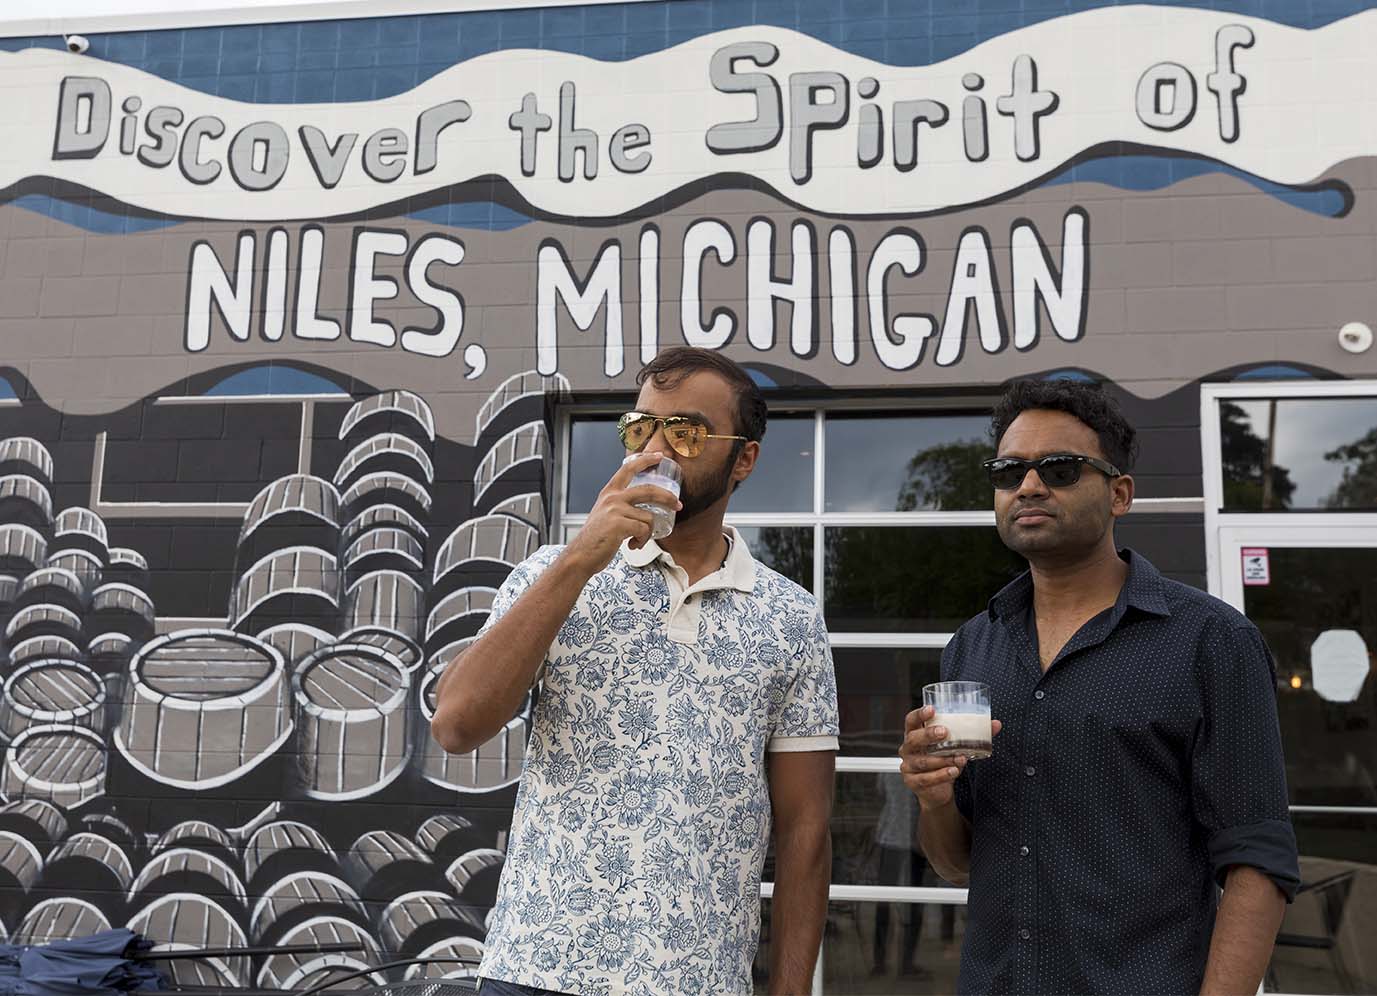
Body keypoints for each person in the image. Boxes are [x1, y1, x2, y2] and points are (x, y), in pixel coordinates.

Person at [431, 346, 839, 996]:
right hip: (534, 971)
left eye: (686, 430)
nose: (658, 447)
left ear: (744, 459)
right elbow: (455, 726)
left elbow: (804, 830)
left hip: (697, 982)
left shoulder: (789, 617)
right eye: (641, 427)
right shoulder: (550, 576)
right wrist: (576, 561)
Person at [899, 379, 1300, 995]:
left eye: (1059, 469)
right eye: (1009, 472)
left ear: (1120, 494)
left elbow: (1258, 859)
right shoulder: (972, 647)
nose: (1029, 486)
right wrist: (933, 798)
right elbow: (957, 865)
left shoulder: (1211, 641)